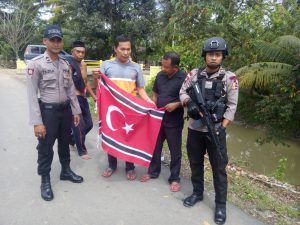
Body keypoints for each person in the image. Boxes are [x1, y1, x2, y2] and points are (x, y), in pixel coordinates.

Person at [179, 37, 238, 224]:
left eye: (217, 54)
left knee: (219, 169)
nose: (213, 58)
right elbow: (182, 92)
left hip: (217, 130)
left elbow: (232, 106)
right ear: (205, 56)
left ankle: (220, 205)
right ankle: (197, 193)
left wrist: (222, 128)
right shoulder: (194, 75)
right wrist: (190, 103)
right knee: (195, 164)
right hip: (195, 129)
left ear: (222, 57)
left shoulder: (230, 78)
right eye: (210, 54)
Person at [26, 24, 84, 201]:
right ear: (45, 41)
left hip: (65, 111)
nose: (56, 43)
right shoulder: (36, 64)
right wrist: (37, 122)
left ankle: (65, 171)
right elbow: (31, 94)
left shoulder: (66, 64)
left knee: (65, 143)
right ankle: (45, 180)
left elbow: (70, 90)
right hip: (48, 113)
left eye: (59, 40)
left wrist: (76, 111)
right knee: (45, 148)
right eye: (53, 40)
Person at [100, 35, 153, 180]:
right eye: (122, 49)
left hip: (130, 110)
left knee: (129, 137)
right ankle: (112, 165)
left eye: (128, 49)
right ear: (115, 49)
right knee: (112, 135)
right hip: (111, 110)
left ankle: (130, 167)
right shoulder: (106, 65)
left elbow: (140, 89)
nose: (125, 52)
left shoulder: (135, 67)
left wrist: (149, 102)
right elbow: (102, 89)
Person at [139, 52, 186, 192]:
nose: (163, 69)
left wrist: (176, 105)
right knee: (155, 147)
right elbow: (155, 94)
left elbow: (189, 100)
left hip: (174, 122)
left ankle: (174, 178)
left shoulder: (184, 78)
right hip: (158, 119)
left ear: (175, 67)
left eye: (166, 67)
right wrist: (152, 106)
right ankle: (153, 172)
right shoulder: (160, 76)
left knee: (175, 151)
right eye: (162, 65)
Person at [65, 40, 96, 160]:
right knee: (79, 125)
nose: (80, 54)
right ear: (72, 52)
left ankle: (71, 140)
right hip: (73, 98)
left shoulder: (83, 65)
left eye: (83, 52)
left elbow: (85, 82)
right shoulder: (68, 64)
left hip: (83, 97)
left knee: (89, 124)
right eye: (78, 52)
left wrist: (93, 96)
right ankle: (81, 150)